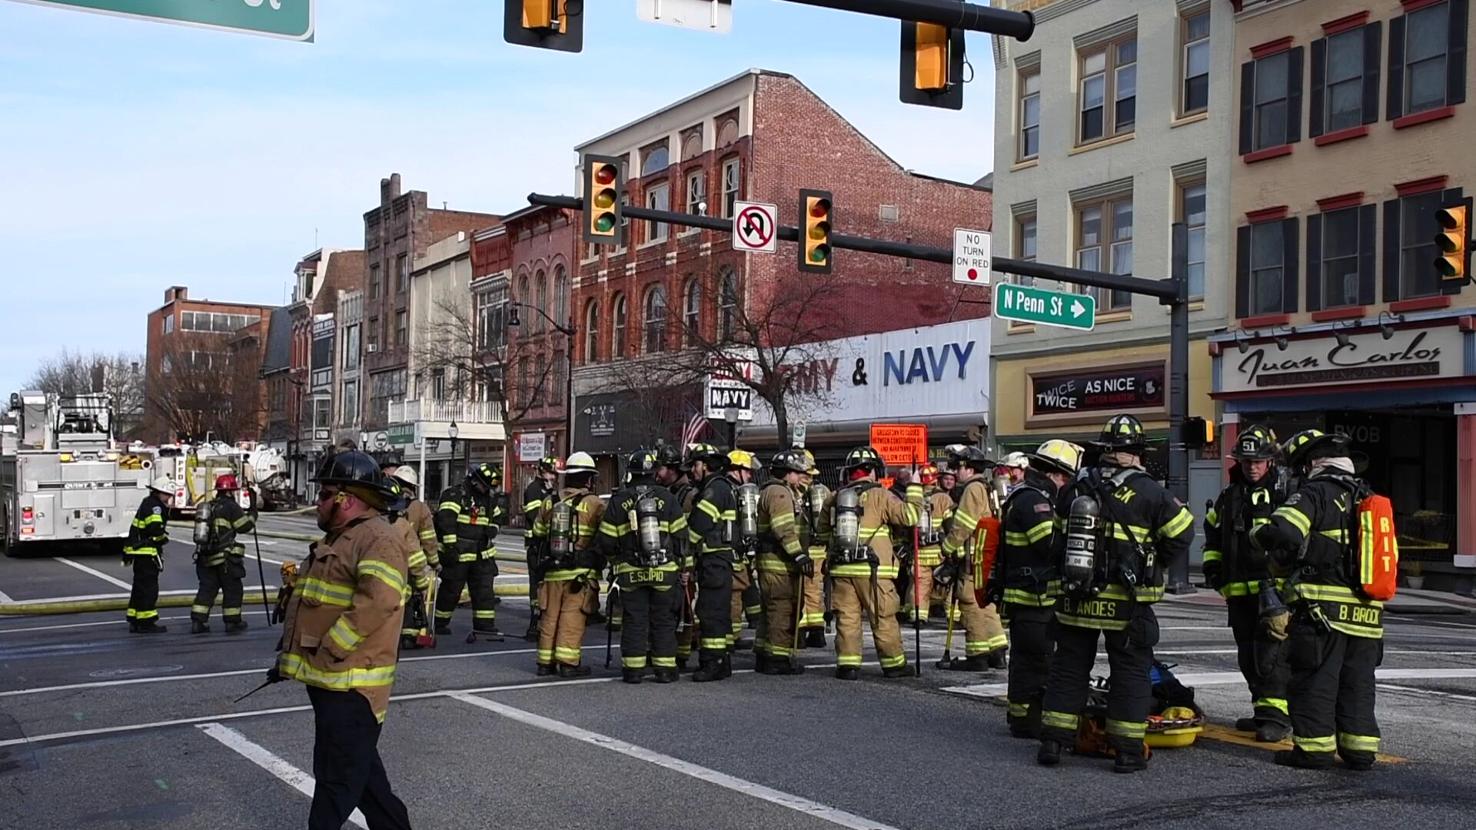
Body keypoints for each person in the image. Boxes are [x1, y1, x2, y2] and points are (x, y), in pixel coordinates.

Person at [1038, 414, 1194, 773]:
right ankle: (1126, 751)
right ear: (1137, 452)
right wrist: (1154, 564)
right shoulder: (1152, 491)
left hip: (1077, 597)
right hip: (1126, 601)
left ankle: (1053, 742)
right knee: (1131, 672)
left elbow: (1056, 542)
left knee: (1068, 668)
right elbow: (1183, 532)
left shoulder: (1076, 488)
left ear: (1105, 450)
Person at [274, 450, 413, 830]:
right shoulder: (343, 537)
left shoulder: (376, 539)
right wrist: (289, 659)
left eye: (323, 495)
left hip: (352, 687)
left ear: (346, 500)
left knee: (336, 785)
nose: (316, 503)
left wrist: (332, 647)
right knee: (368, 784)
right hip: (332, 683)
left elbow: (379, 599)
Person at [1253, 429, 1384, 771]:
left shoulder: (1316, 492)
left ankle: (1314, 751)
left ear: (1313, 462)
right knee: (1358, 683)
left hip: (1322, 610)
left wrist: (1258, 533)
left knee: (1315, 680)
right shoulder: (1366, 494)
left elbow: (1283, 532)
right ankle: (1359, 751)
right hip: (1368, 615)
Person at [1202, 424, 1291, 742]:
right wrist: (1212, 567)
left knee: (1271, 657)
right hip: (1237, 590)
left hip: (1272, 592)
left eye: (1258, 461)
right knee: (1248, 656)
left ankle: (1276, 718)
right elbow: (1213, 533)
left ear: (1270, 461)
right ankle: (1262, 711)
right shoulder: (1229, 495)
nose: (1252, 466)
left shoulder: (1284, 494)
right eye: (1246, 461)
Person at [992, 439, 1082, 738]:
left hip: (1029, 596)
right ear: (1056, 473)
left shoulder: (1027, 495)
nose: (1067, 484)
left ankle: (1021, 717)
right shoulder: (1035, 501)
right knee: (1035, 662)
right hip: (1033, 598)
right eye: (1067, 477)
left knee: (1026, 661)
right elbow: (1049, 544)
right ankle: (1027, 721)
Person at [816, 446, 923, 679]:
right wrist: (915, 488)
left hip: (842, 568)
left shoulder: (835, 497)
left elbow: (822, 532)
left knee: (847, 617)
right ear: (874, 471)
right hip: (874, 570)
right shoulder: (881, 495)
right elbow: (910, 517)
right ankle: (894, 665)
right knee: (882, 616)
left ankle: (848, 665)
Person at [596, 449, 686, 684]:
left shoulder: (618, 502)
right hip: (665, 572)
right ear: (655, 472)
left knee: (635, 620)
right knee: (664, 620)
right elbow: (682, 538)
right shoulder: (669, 499)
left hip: (630, 572)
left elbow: (606, 540)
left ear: (631, 473)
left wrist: (617, 561)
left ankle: (634, 671)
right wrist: (683, 568)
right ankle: (665, 669)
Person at [529, 451, 606, 677]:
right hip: (579, 574)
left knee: (550, 617)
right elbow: (605, 537)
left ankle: (545, 663)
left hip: (552, 572)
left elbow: (537, 534)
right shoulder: (595, 504)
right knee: (571, 617)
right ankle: (568, 663)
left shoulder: (549, 502)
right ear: (589, 479)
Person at [937, 446, 1009, 671]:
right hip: (987, 556)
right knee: (986, 603)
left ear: (966, 467)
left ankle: (977, 655)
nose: (955, 473)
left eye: (957, 467)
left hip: (972, 557)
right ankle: (997, 651)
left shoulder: (972, 489)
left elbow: (964, 525)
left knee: (970, 603)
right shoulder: (987, 487)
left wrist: (947, 547)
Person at [754, 449, 814, 675]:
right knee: (782, 609)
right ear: (787, 473)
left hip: (774, 562)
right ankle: (778, 660)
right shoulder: (780, 493)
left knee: (770, 610)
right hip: (779, 563)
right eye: (798, 473)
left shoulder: (777, 490)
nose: (801, 477)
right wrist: (799, 555)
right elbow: (784, 529)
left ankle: (764, 654)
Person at [433, 463, 507, 640]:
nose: (486, 489)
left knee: (484, 591)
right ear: (474, 481)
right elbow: (445, 521)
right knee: (451, 590)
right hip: (458, 553)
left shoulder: (488, 498)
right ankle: (439, 623)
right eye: (484, 485)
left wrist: (493, 528)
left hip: (481, 554)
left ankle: (485, 625)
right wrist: (450, 547)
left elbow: (497, 516)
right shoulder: (455, 495)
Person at [684, 443, 739, 682]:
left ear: (705, 466)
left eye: (695, 465)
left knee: (710, 612)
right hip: (719, 561)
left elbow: (699, 525)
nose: (692, 471)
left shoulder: (714, 490)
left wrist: (684, 545)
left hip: (714, 561)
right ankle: (722, 660)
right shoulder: (721, 486)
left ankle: (712, 662)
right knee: (719, 612)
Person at [190, 473, 255, 635]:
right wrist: (253, 513)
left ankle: (198, 622)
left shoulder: (209, 506)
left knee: (207, 590)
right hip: (225, 558)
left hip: (205, 557)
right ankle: (232, 623)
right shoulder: (231, 506)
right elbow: (244, 527)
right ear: (229, 491)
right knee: (233, 589)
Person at [656, 446, 700, 668]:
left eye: (661, 468)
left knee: (683, 607)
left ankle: (682, 653)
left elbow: (689, 537)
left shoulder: (689, 495)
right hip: (665, 561)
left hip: (683, 561)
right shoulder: (667, 492)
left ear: (672, 469)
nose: (657, 473)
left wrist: (688, 569)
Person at [124, 475, 177, 633]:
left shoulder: (147, 503)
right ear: (159, 492)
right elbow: (155, 529)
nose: (168, 498)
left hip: (139, 552)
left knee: (139, 587)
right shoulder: (156, 507)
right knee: (149, 588)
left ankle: (134, 618)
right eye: (167, 495)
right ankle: (146, 621)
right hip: (147, 552)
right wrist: (163, 538)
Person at [902, 464, 951, 628]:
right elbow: (950, 523)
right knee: (948, 583)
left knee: (920, 584)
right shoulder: (943, 498)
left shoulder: (914, 498)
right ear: (936, 480)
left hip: (920, 551)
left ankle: (919, 616)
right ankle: (954, 616)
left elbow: (906, 525)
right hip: (939, 551)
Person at [522, 455, 560, 641]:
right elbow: (534, 516)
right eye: (548, 472)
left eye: (553, 473)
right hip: (536, 547)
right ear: (540, 471)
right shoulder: (534, 490)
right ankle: (534, 623)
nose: (552, 476)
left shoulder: (550, 491)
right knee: (536, 587)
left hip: (548, 546)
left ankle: (546, 621)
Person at [728, 450, 763, 651]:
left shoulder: (733, 490)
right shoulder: (735, 492)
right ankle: (732, 637)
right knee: (734, 593)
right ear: (737, 470)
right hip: (733, 550)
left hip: (738, 549)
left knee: (742, 588)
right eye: (747, 471)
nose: (750, 476)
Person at [796, 449, 829, 647]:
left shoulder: (795, 493)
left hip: (803, 549)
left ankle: (799, 634)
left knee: (799, 590)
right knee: (815, 591)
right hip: (820, 549)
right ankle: (817, 632)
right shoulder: (824, 491)